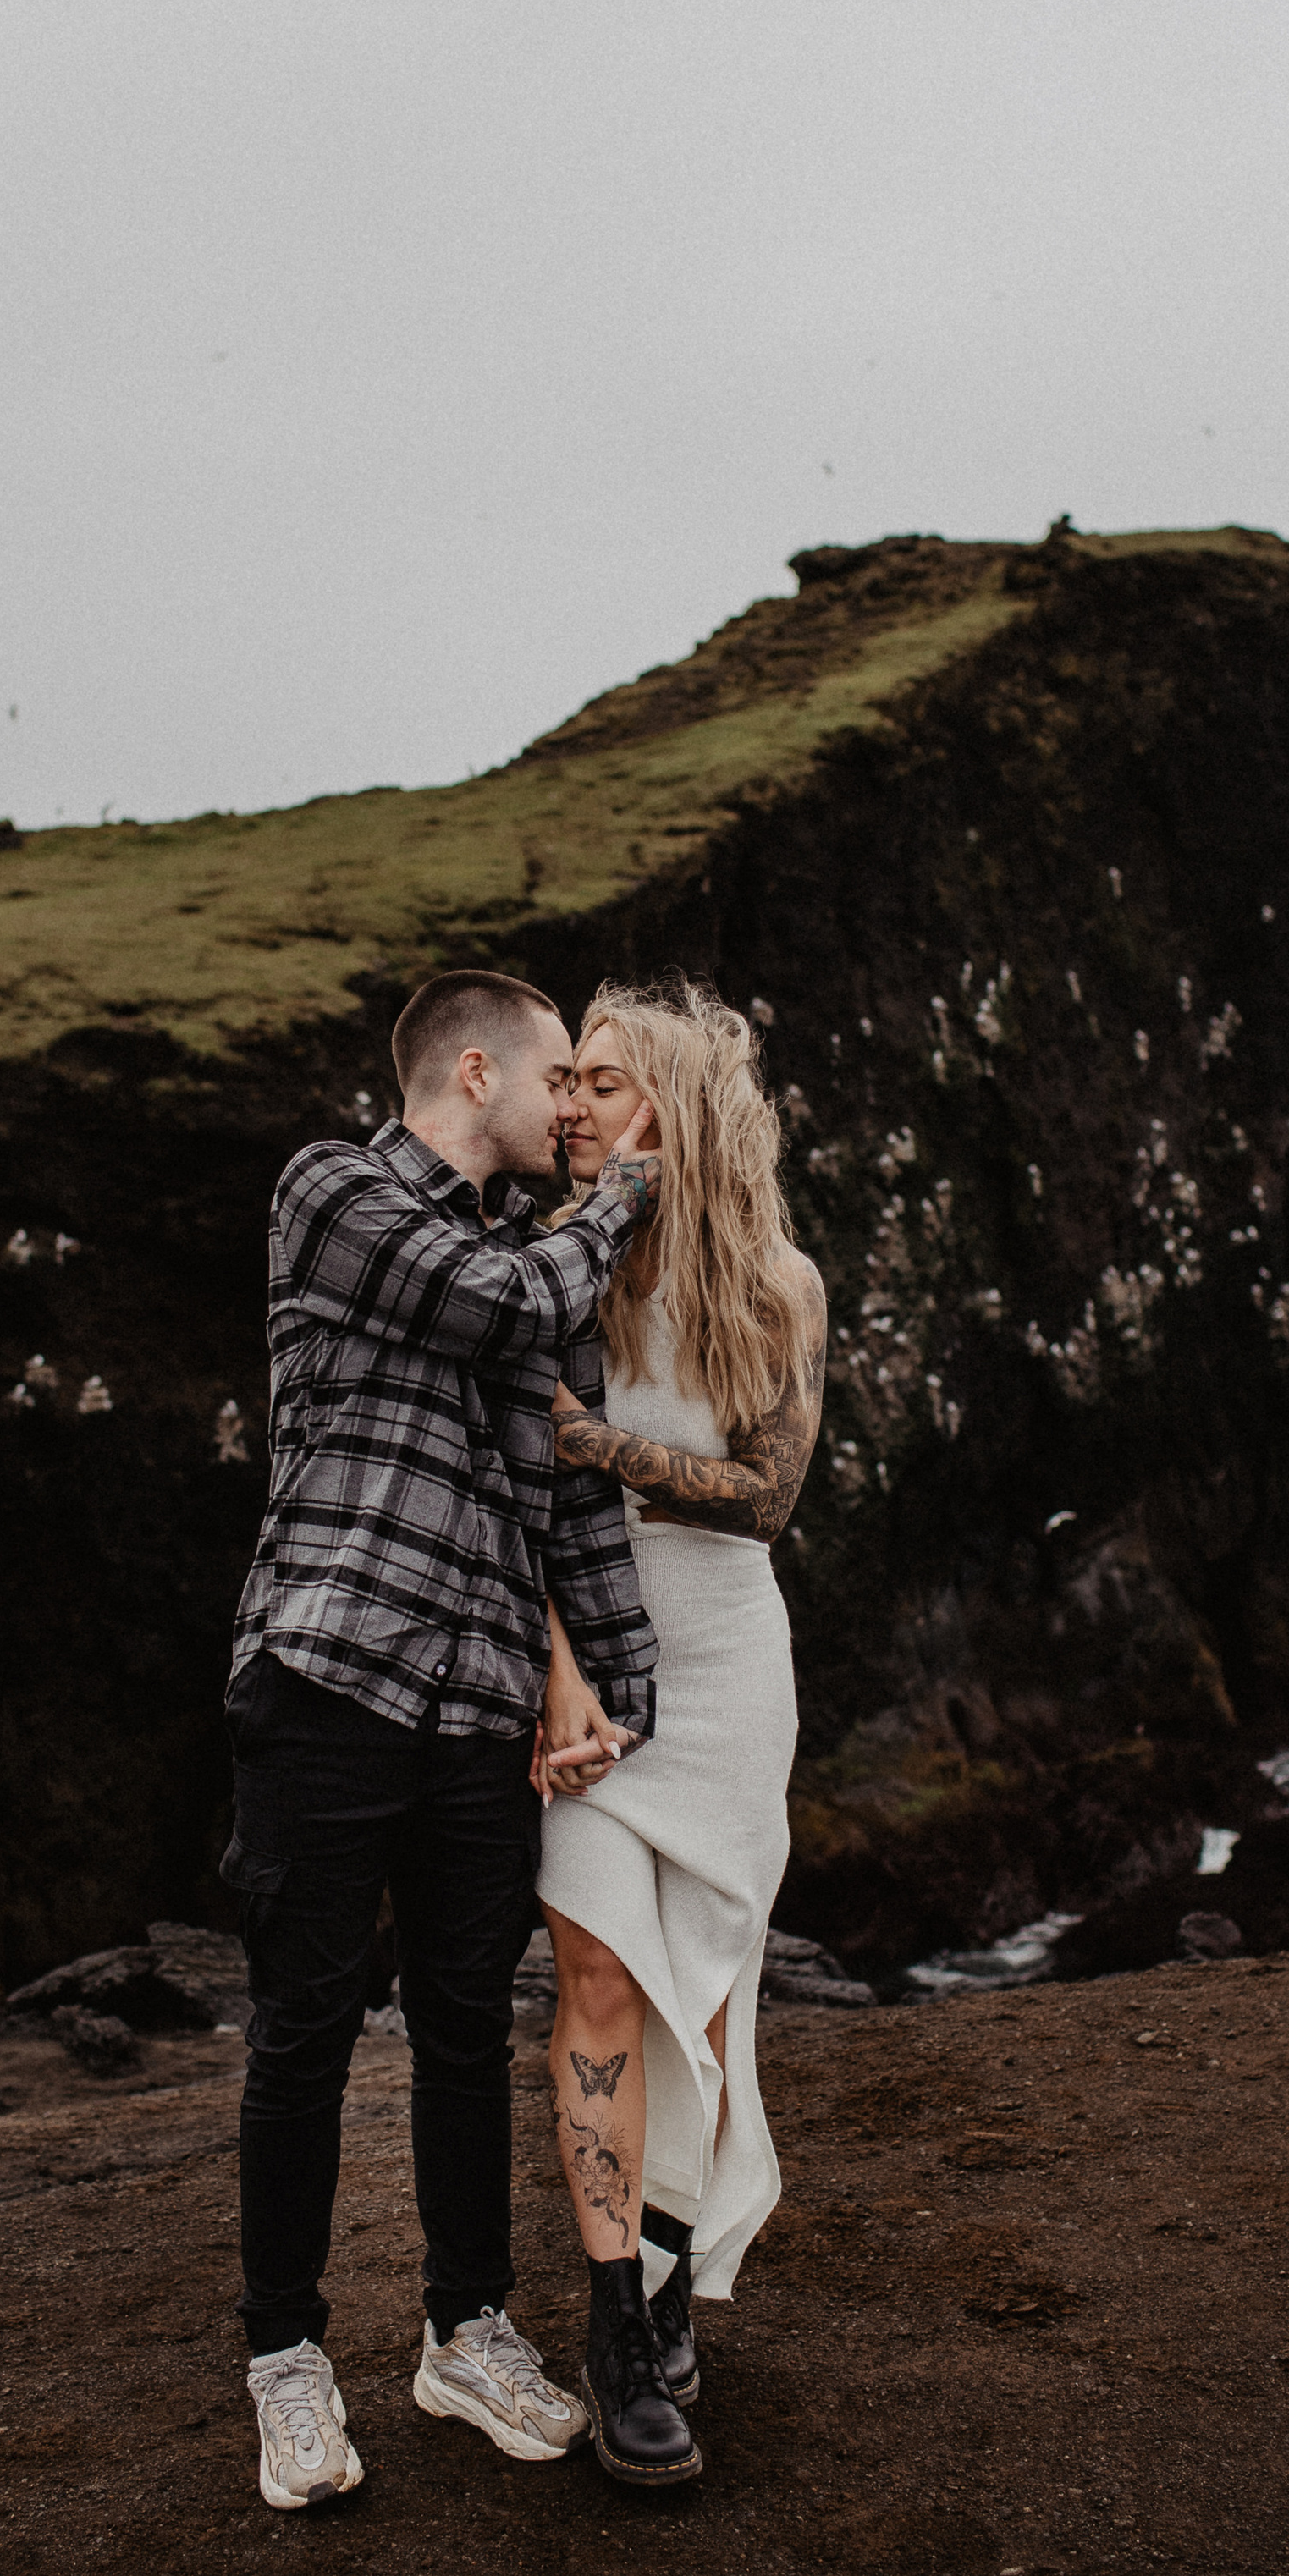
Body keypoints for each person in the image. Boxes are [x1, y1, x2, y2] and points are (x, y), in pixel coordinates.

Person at [223, 966, 663, 2512]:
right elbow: (512, 1309)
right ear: (475, 1073)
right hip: (332, 1672)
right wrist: (628, 1198)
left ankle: (466, 2332)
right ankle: (286, 2361)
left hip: (480, 1702)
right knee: (304, 2032)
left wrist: (619, 1691)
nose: (570, 1109)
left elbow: (568, 1498)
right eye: (557, 1081)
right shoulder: (335, 1191)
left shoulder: (525, 1253)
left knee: (465, 2030)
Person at [535, 978, 828, 2486]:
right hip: (587, 1665)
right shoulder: (544, 1274)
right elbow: (511, 1509)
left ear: (677, 1103)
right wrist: (552, 1672)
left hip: (724, 1661)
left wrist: (603, 1447)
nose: (567, 1104)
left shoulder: (775, 1282)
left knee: (705, 1990)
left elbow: (771, 1500)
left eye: (603, 1080)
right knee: (594, 1966)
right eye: (564, 1081)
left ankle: (662, 2272)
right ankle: (613, 2329)